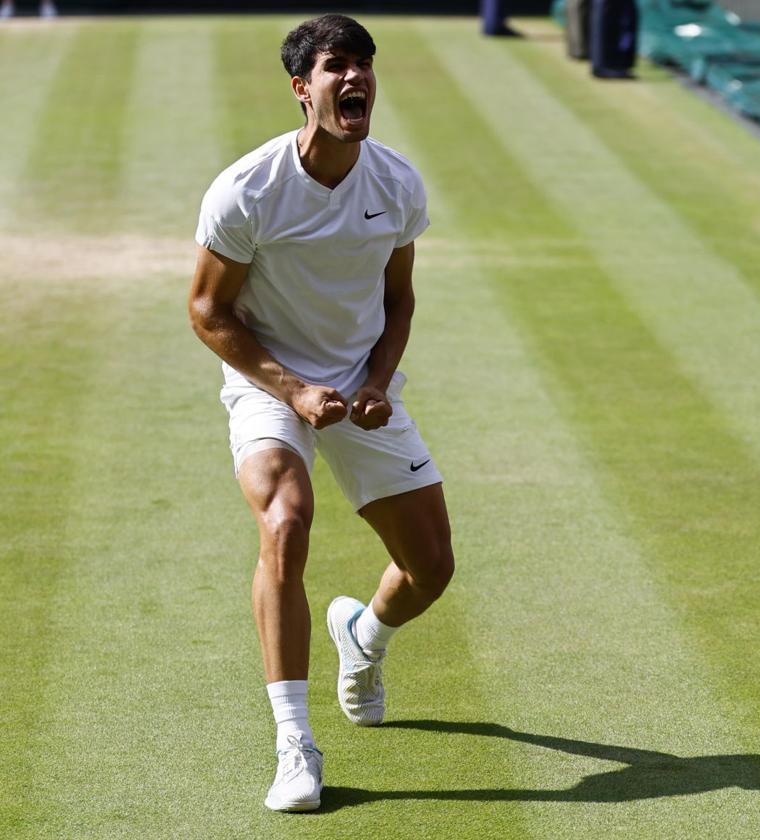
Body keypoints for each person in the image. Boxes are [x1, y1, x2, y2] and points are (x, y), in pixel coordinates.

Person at [187, 14, 454, 813]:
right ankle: (294, 744)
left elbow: (399, 299)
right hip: (269, 381)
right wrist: (292, 390)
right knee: (286, 520)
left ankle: (361, 638)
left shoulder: (398, 183)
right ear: (304, 88)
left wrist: (377, 380)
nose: (357, 78)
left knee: (431, 569)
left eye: (365, 65)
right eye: (338, 66)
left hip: (359, 384)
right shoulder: (248, 190)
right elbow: (207, 310)